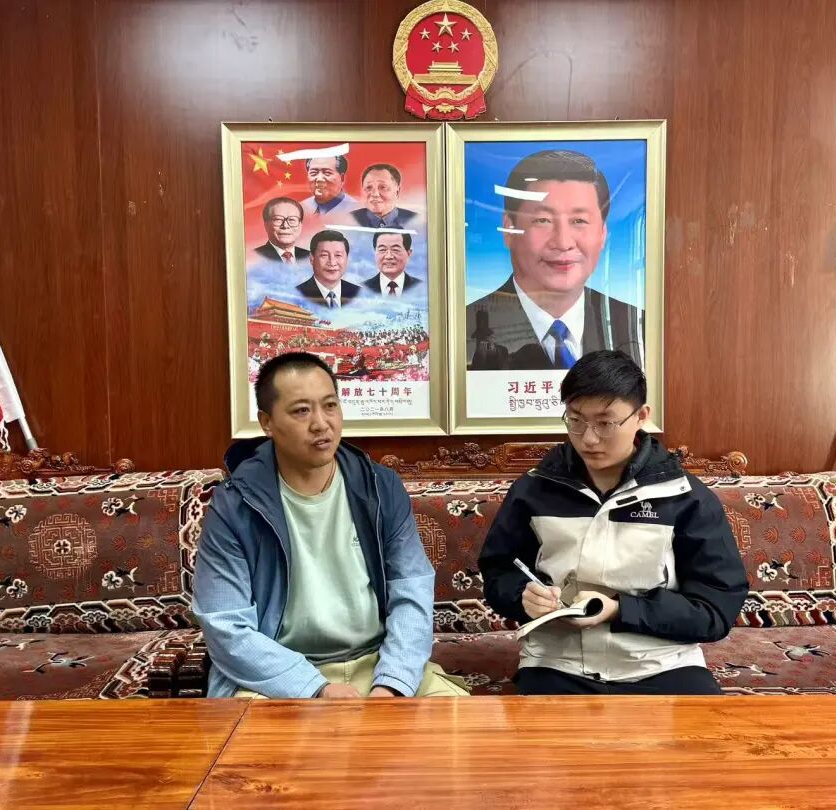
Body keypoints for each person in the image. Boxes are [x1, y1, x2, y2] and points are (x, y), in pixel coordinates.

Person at [192, 351, 469, 699]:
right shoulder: (235, 504)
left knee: (461, 724)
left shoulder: (380, 488)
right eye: (301, 411)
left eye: (330, 406)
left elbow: (411, 592)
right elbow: (225, 624)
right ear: (267, 422)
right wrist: (316, 688)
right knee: (255, 732)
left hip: (376, 663)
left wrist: (392, 684)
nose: (321, 423)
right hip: (279, 676)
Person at [478, 350, 747, 696]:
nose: (588, 439)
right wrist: (522, 597)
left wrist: (621, 610)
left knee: (709, 731)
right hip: (557, 662)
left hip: (662, 664)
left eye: (605, 423)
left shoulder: (684, 497)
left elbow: (715, 608)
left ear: (641, 416)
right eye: (576, 420)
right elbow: (499, 571)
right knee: (537, 732)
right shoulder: (534, 490)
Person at [466, 149, 643, 371]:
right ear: (509, 229)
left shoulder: (638, 327)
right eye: (543, 220)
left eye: (579, 221)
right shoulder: (460, 331)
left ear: (603, 234)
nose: (563, 242)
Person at [295, 230, 361, 308]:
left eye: (338, 255)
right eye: (324, 255)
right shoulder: (296, 295)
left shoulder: (358, 294)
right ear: (312, 258)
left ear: (347, 259)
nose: (332, 262)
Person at [351, 163, 418, 229]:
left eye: (383, 187)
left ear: (397, 192)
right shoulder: (350, 220)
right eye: (369, 187)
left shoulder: (416, 221)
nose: (375, 194)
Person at [362, 231, 423, 298]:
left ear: (408, 253)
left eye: (395, 250)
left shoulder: (421, 288)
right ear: (375, 253)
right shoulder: (363, 288)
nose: (388, 256)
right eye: (382, 249)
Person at [253, 197, 310, 264]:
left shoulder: (310, 257)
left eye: (292, 220)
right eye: (278, 219)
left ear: (300, 225)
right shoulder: (254, 258)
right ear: (266, 225)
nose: (285, 226)